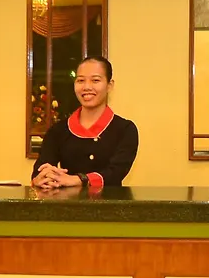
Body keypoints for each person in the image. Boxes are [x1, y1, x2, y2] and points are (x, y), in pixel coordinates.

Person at [32, 56, 138, 192]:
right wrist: (42, 178)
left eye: (95, 80)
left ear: (109, 85)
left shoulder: (125, 129)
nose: (87, 87)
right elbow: (40, 168)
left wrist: (78, 179)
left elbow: (116, 172)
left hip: (111, 204)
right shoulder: (58, 130)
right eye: (81, 80)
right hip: (67, 204)